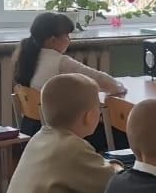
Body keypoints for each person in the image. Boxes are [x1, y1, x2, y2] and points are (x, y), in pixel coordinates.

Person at [11, 12, 125, 150]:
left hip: (34, 130)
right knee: (121, 132)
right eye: (66, 35)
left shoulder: (28, 57)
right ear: (53, 40)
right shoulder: (60, 62)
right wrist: (119, 87)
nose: (69, 40)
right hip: (59, 134)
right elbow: (98, 79)